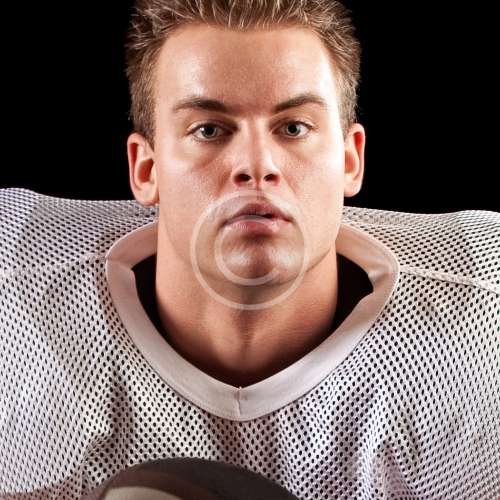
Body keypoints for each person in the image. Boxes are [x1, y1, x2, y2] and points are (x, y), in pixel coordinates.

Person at [0, 1, 498, 499]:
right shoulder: (17, 291)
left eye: (294, 127)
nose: (257, 166)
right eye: (209, 130)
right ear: (146, 169)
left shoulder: (478, 319)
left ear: (350, 160)